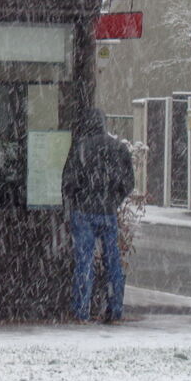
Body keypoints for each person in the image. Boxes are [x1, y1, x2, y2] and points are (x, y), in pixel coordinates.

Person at [61, 108, 135, 323]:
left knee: (84, 261)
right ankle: (115, 309)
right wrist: (114, 201)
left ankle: (81, 311)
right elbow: (128, 183)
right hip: (108, 211)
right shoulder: (119, 148)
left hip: (83, 212)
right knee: (113, 261)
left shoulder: (81, 148)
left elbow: (68, 182)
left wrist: (74, 203)